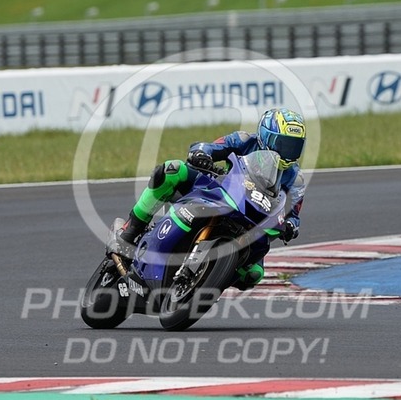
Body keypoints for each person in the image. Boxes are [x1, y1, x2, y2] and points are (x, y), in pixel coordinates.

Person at [118, 108, 307, 290]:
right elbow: (209, 146)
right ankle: (132, 229)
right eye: (283, 144)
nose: (287, 152)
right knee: (171, 170)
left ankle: (206, 284)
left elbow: (293, 214)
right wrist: (201, 154)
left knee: (254, 274)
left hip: (253, 219)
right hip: (218, 190)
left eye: (294, 147)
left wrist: (290, 226)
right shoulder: (243, 140)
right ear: (265, 136)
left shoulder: (296, 179)